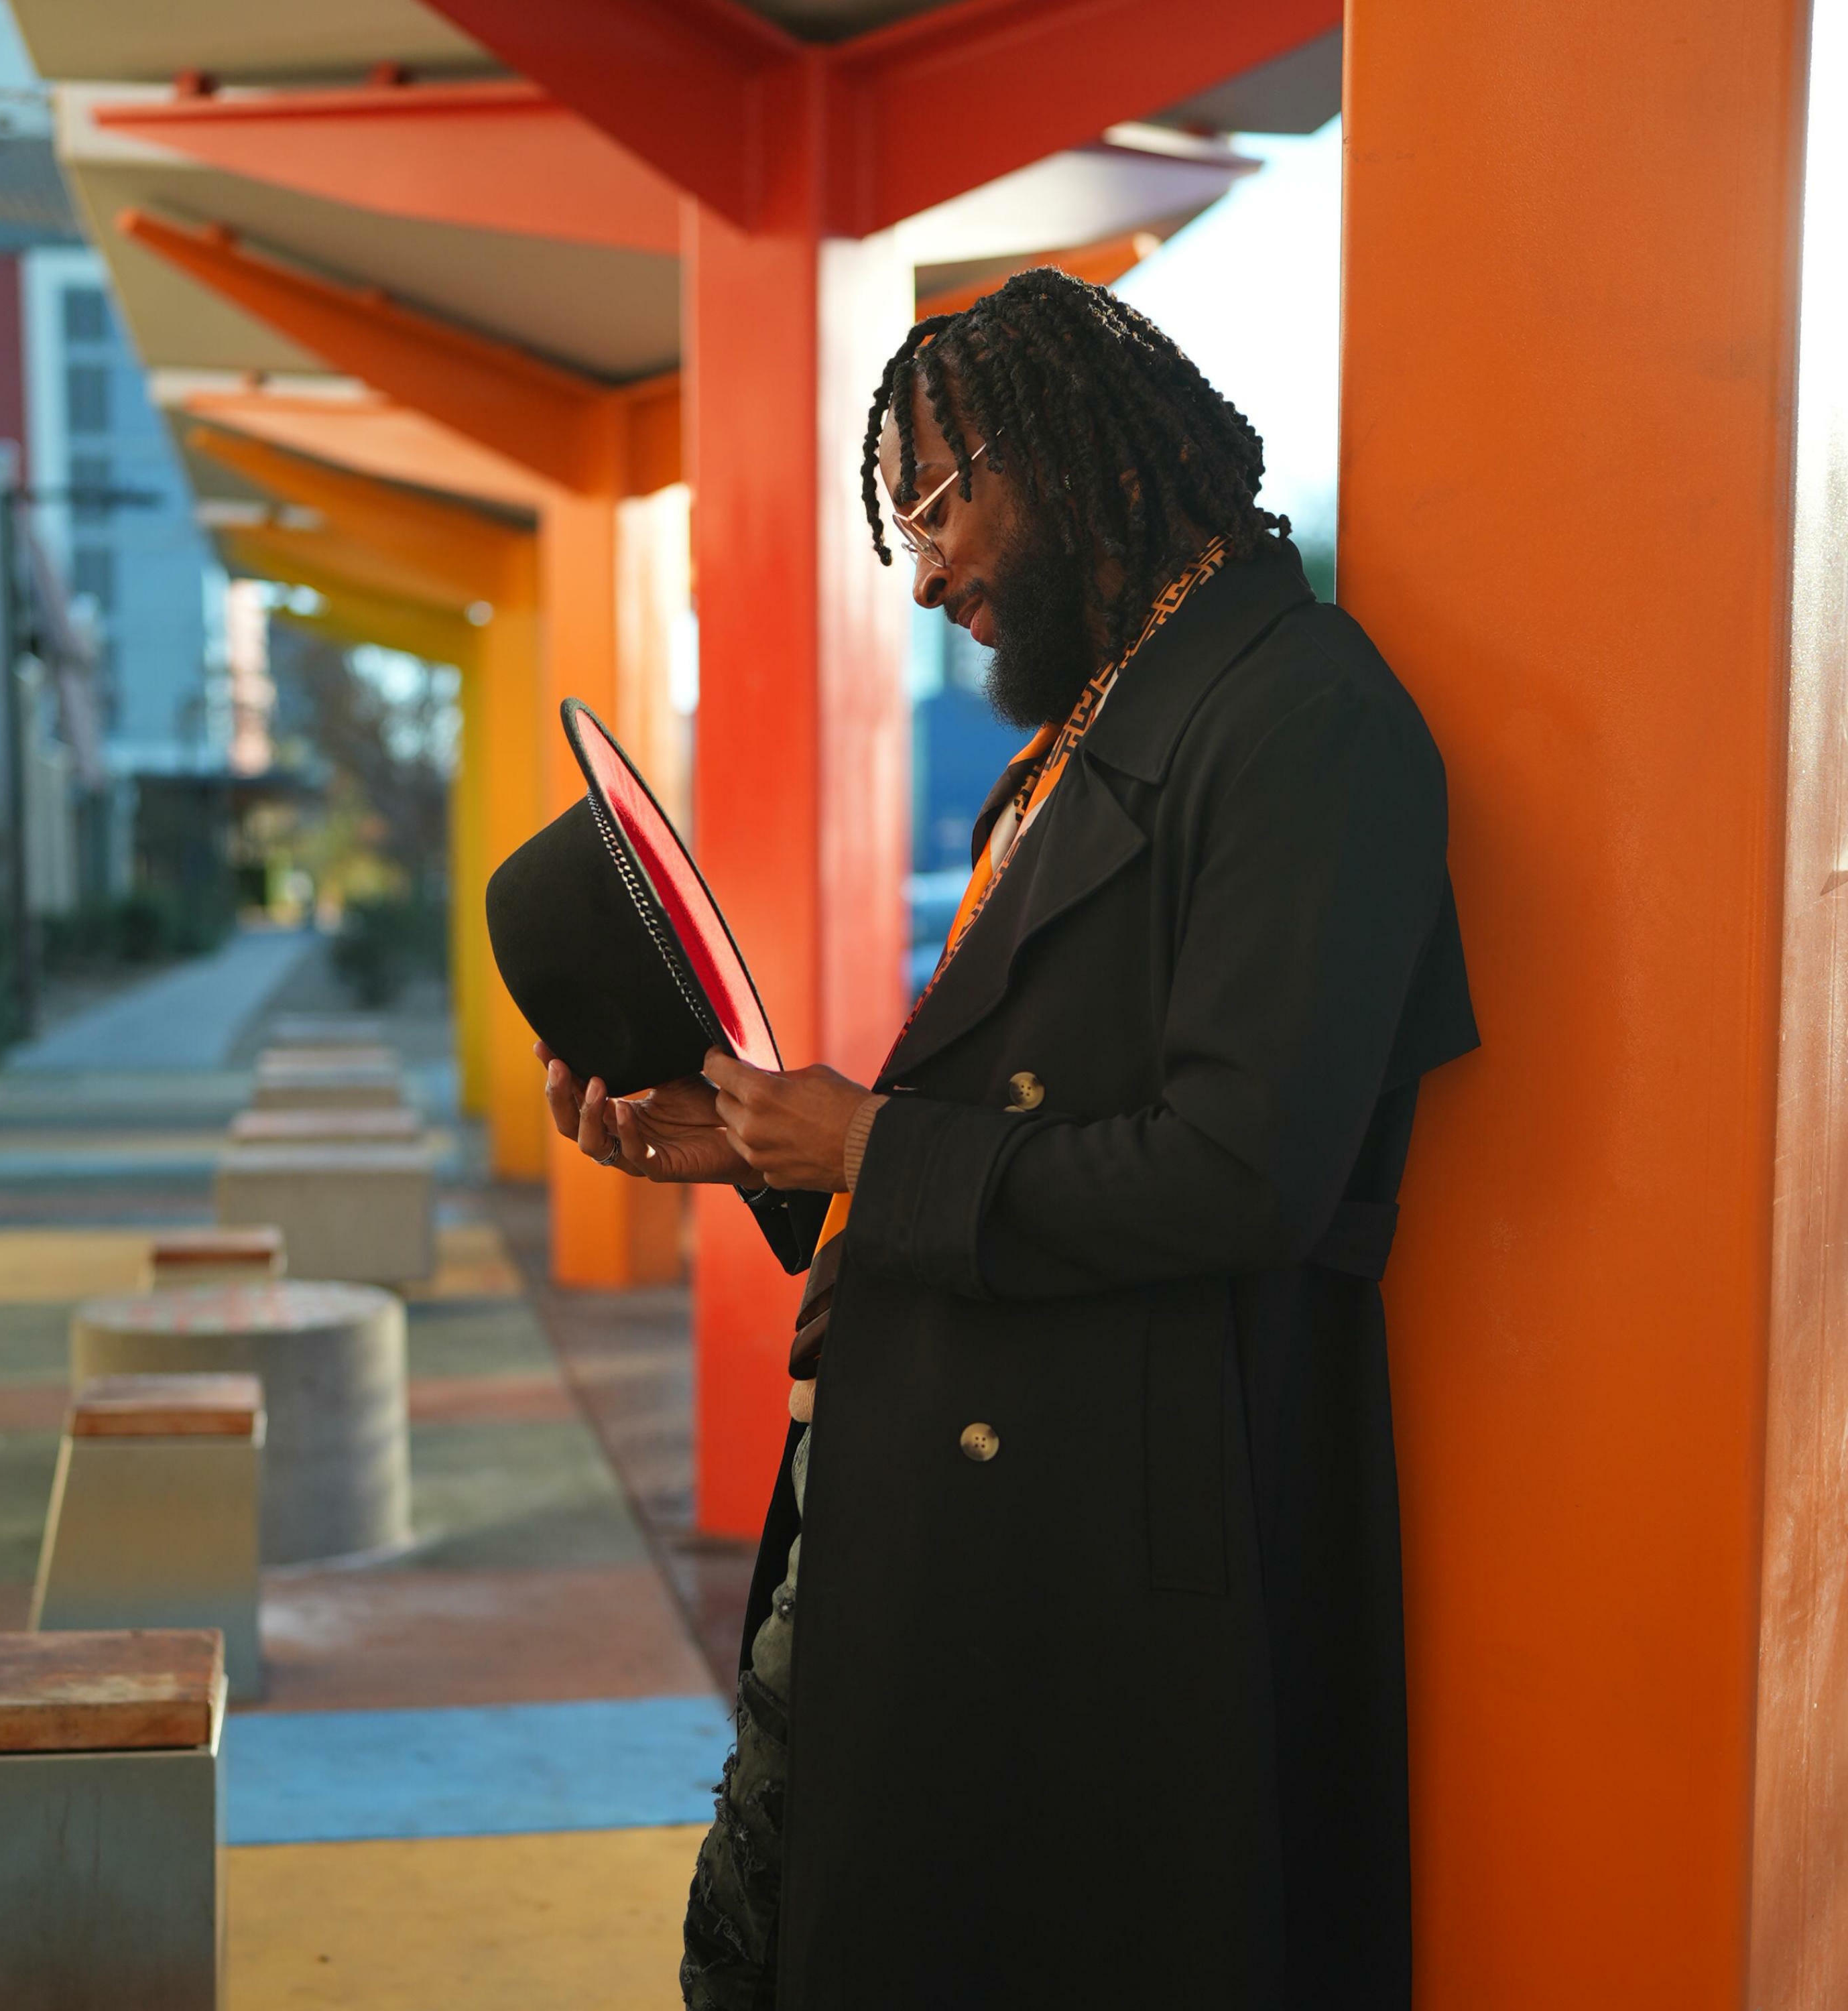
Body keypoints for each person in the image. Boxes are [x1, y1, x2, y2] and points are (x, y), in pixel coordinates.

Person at [539, 269, 1477, 2010]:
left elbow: (1245, 1170)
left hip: (1106, 1558)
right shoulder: (1092, 738)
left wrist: (870, 1154)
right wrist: (755, 1149)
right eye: (904, 522)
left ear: (1078, 457)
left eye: (938, 504)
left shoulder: (1307, 719)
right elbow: (1001, 1128)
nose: (923, 574)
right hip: (957, 1518)